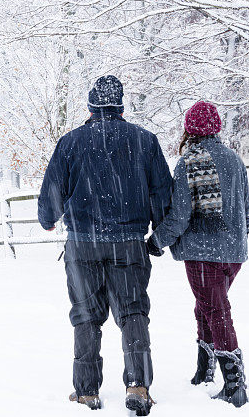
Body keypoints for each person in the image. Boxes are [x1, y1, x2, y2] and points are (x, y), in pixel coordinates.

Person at [38, 75, 172, 415]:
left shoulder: (71, 143)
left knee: (85, 315)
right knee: (132, 312)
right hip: (128, 243)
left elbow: (50, 198)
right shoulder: (145, 141)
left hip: (82, 245)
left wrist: (50, 217)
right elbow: (162, 196)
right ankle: (138, 385)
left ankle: (86, 392)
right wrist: (157, 234)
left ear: (91, 106)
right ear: (120, 105)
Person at [147, 101, 249, 408]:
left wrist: (156, 241)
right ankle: (204, 370)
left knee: (216, 311)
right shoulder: (234, 159)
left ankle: (234, 384)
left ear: (189, 129)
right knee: (206, 307)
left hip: (203, 252)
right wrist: (240, 239)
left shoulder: (188, 162)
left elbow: (180, 216)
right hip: (233, 252)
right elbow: (245, 207)